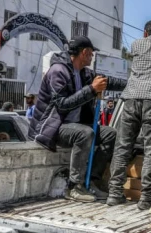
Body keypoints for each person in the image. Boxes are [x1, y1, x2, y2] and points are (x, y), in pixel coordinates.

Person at [28, 36, 127, 203]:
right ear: (84, 53)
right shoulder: (58, 71)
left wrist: (134, 84)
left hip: (74, 127)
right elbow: (62, 104)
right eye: (91, 54)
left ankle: (94, 180)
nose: (92, 57)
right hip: (51, 126)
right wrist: (91, 89)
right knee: (86, 133)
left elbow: (108, 82)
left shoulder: (86, 73)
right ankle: (75, 186)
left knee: (110, 134)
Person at [107, 20, 151, 209]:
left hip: (131, 97)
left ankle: (114, 193)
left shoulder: (136, 44)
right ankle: (146, 198)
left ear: (145, 33)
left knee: (122, 146)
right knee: (150, 148)